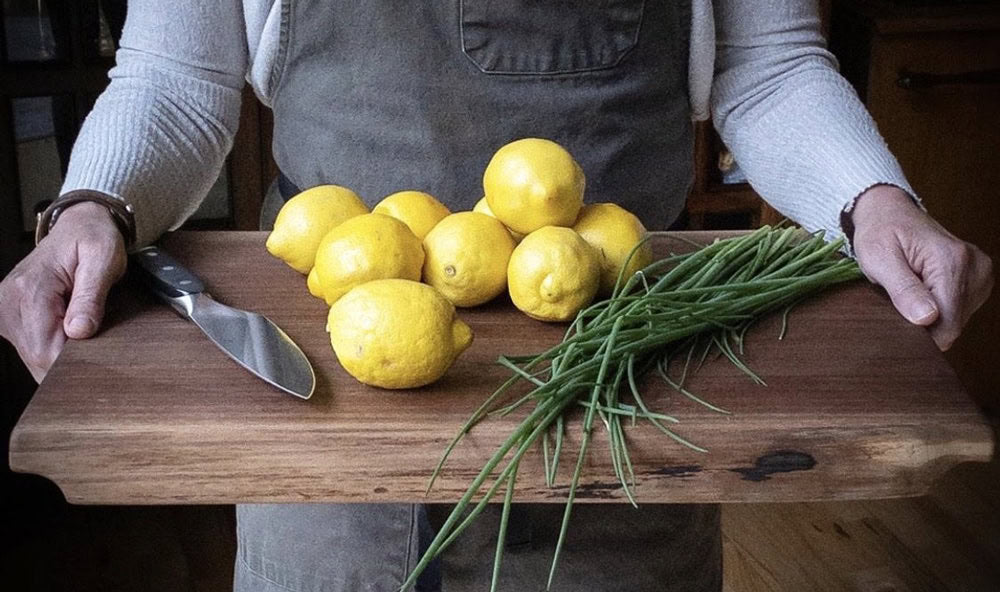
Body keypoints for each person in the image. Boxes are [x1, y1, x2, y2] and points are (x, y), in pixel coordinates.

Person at [1, 1, 993, 591]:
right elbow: (177, 78)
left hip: (617, 395)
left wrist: (869, 198)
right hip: (329, 408)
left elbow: (767, 67)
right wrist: (95, 205)